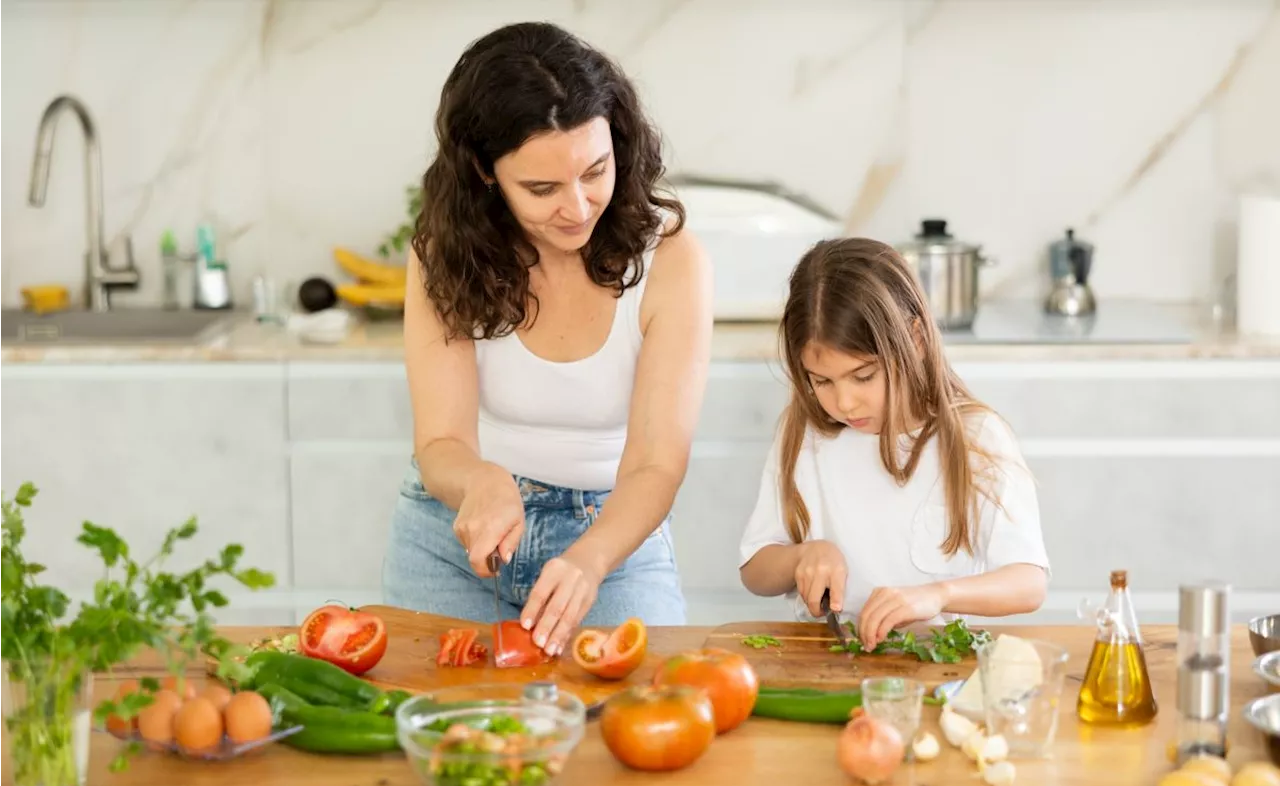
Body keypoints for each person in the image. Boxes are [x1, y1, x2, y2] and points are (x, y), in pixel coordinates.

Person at [382, 21, 714, 658]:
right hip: (453, 541)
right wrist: (480, 482)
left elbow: (655, 463)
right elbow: (442, 440)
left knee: (632, 721)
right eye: (542, 189)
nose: (578, 207)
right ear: (484, 170)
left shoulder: (671, 262)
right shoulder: (444, 255)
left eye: (595, 170)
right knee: (438, 726)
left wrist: (589, 561)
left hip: (612, 543)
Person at [738, 238, 1048, 650]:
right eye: (821, 381)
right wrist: (801, 556)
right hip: (831, 659)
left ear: (915, 339)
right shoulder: (805, 434)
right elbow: (755, 569)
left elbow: (1029, 582)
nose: (844, 402)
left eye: (863, 376)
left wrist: (939, 594)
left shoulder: (975, 436)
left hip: (940, 660)